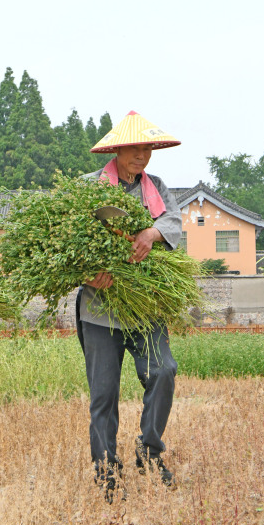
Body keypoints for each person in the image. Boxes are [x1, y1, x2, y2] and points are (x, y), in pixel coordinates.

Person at [79, 110, 183, 501]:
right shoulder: (89, 188)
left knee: (164, 370)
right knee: (103, 393)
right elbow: (71, 239)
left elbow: (173, 221)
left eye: (148, 148)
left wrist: (153, 231)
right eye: (135, 148)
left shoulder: (155, 187)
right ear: (117, 150)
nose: (142, 154)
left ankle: (149, 450)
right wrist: (88, 274)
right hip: (100, 308)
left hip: (145, 305)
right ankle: (106, 470)